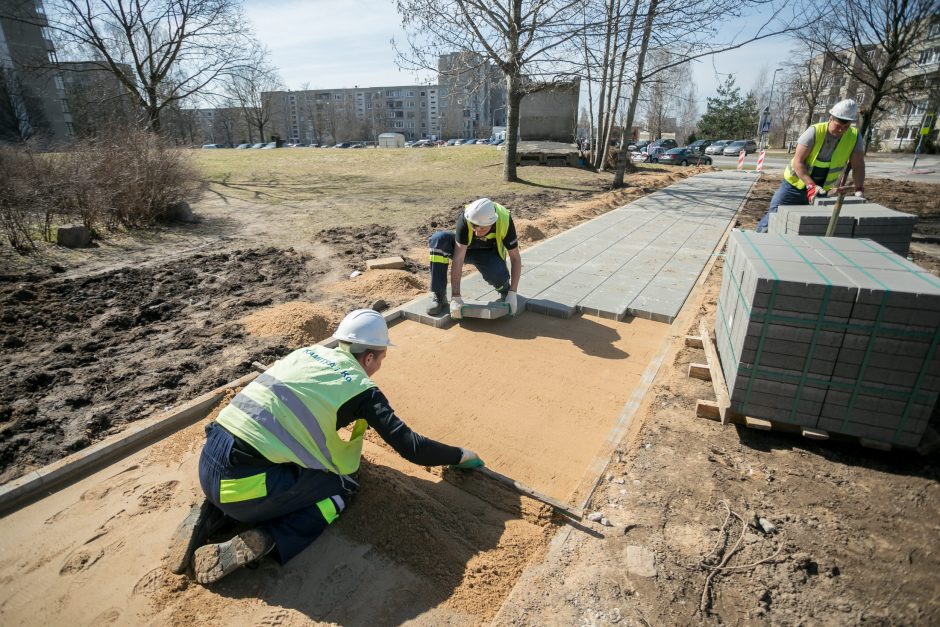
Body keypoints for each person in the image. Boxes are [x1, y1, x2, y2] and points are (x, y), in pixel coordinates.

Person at [165, 309, 484, 584]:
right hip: (242, 488)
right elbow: (412, 447)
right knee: (341, 488)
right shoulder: (362, 390)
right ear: (369, 356)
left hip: (209, 461)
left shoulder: (306, 354)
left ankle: (210, 515)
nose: (379, 367)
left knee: (271, 459)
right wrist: (460, 455)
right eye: (381, 359)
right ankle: (270, 540)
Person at [756, 99, 866, 233]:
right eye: (838, 126)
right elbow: (798, 162)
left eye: (846, 127)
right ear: (831, 118)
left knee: (811, 227)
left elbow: (858, 165)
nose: (841, 130)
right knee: (773, 218)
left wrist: (859, 189)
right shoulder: (814, 132)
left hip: (821, 191)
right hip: (793, 187)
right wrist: (811, 186)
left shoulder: (854, 136)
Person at [426, 198, 522, 319]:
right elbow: (458, 259)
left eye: (482, 228)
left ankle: (505, 290)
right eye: (474, 227)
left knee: (497, 273)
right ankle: (439, 296)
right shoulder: (467, 217)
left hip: (489, 254)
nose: (477, 232)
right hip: (467, 250)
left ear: (492, 222)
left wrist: (513, 293)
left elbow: (515, 259)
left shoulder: (504, 220)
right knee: (438, 241)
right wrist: (456, 297)